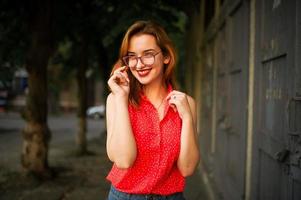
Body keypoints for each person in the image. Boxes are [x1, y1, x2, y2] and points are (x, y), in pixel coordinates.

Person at [106, 20, 199, 200]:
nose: (139, 64)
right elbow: (124, 160)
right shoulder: (117, 99)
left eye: (148, 54)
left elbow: (187, 169)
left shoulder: (186, 103)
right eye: (132, 56)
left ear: (166, 56)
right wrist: (122, 99)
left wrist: (186, 118)